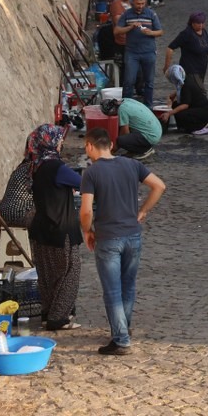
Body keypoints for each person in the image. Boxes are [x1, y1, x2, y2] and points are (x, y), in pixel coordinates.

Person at [80, 128, 166, 356]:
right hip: (133, 235)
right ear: (110, 144)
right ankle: (123, 328)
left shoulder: (91, 173)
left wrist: (87, 231)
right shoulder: (131, 165)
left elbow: (86, 211)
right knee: (128, 285)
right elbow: (159, 186)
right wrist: (143, 211)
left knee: (112, 290)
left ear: (90, 146)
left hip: (108, 237)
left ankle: (121, 339)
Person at [25, 125, 82, 332]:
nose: (61, 143)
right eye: (59, 140)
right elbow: (83, 182)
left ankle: (47, 313)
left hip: (41, 229)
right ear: (50, 142)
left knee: (48, 274)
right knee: (69, 272)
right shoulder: (56, 167)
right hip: (60, 229)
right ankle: (59, 318)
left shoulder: (37, 166)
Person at [114, 0, 162, 109]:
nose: (140, 6)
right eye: (138, 4)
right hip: (132, 53)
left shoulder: (151, 14)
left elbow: (160, 31)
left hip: (149, 52)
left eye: (142, 3)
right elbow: (117, 30)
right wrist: (130, 28)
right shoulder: (127, 14)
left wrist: (151, 33)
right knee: (129, 81)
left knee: (149, 82)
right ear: (133, 2)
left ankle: (148, 106)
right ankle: (126, 107)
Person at [164, 12, 208, 88]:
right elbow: (170, 48)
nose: (201, 25)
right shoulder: (186, 34)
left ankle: (173, 98)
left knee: (189, 94)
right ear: (192, 23)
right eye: (198, 23)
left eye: (202, 23)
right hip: (190, 71)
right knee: (199, 92)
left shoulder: (204, 32)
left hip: (201, 69)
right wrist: (167, 68)